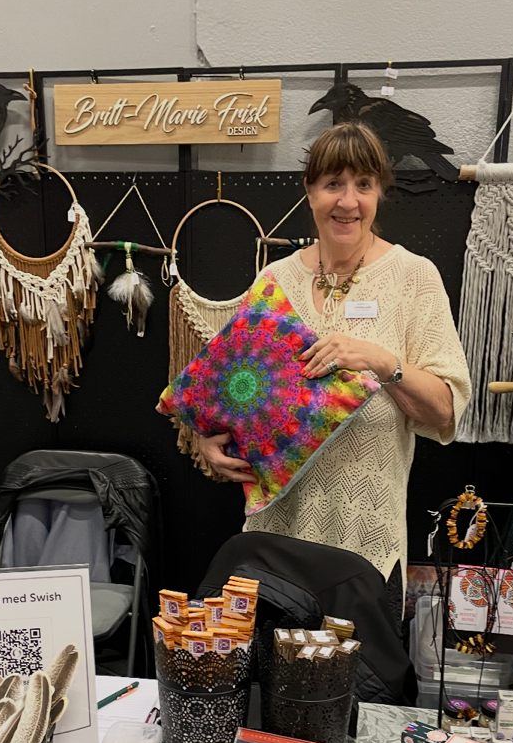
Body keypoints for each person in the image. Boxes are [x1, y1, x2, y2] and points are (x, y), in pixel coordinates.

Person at [197, 121, 471, 607]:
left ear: (379, 192)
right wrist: (211, 437)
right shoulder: (274, 280)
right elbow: (238, 389)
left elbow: (446, 411)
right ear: (310, 192)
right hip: (275, 540)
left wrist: (381, 362)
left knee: (357, 658)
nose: (348, 201)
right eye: (333, 184)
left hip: (366, 543)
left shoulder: (413, 278)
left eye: (363, 184)